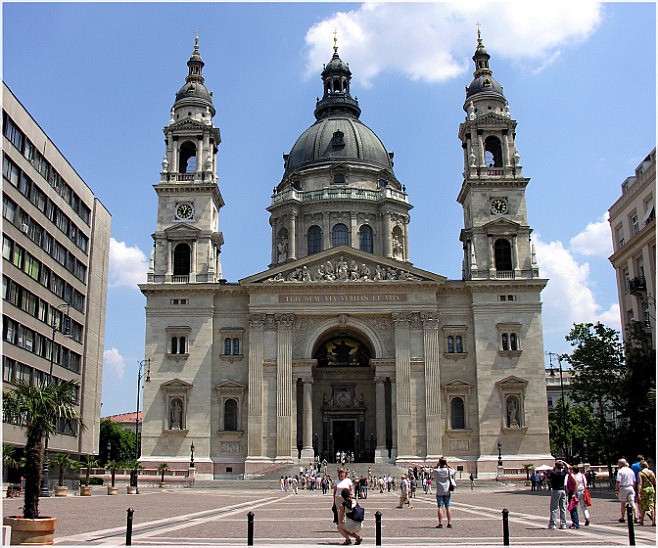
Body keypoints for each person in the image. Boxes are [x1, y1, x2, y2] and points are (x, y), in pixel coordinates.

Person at [432, 458, 456, 528]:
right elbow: (454, 470)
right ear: (445, 463)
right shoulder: (448, 471)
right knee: (448, 507)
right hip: (447, 491)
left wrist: (437, 465)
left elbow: (431, 471)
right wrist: (448, 465)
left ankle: (440, 523)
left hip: (439, 491)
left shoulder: (437, 471)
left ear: (439, 463)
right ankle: (449, 523)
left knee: (440, 507)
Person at [546, 459, 569, 529]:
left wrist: (554, 468)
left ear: (556, 467)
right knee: (563, 508)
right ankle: (563, 524)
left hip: (556, 490)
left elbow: (548, 476)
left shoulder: (553, 473)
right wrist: (563, 462)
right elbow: (567, 467)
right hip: (563, 490)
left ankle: (553, 524)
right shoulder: (563, 473)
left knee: (554, 508)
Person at [616, 458, 638, 523]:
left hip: (623, 487)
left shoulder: (620, 471)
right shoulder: (631, 470)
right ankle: (636, 516)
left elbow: (618, 481)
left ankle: (622, 517)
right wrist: (633, 488)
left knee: (623, 503)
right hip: (630, 487)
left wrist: (617, 489)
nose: (618, 464)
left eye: (619, 463)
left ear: (621, 463)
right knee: (632, 502)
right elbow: (634, 481)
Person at [637, 460, 656, 526]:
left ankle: (641, 520)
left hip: (644, 490)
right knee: (651, 505)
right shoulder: (651, 472)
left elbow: (640, 483)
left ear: (640, 466)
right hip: (651, 489)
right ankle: (653, 521)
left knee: (643, 505)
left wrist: (639, 493)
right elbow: (654, 482)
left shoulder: (641, 473)